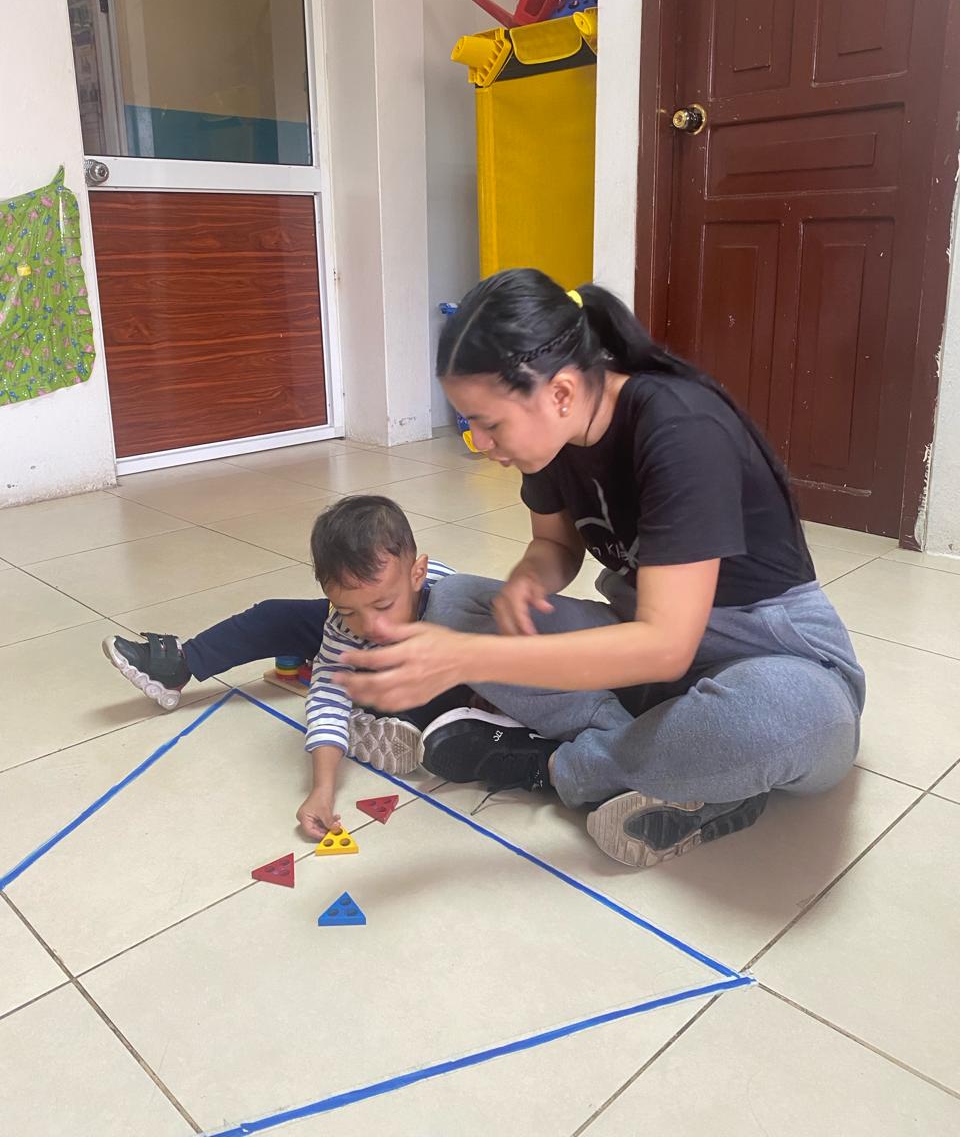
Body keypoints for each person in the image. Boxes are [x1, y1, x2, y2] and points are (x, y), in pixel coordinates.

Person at [335, 270, 867, 869]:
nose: (479, 443)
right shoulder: (551, 439)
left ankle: (557, 763)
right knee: (456, 601)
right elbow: (555, 545)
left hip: (765, 656)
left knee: (790, 719)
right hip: (640, 648)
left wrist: (465, 660)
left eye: (490, 423)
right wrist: (529, 579)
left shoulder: (681, 428)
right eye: (468, 423)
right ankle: (660, 754)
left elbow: (666, 647)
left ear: (561, 393)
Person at [102, 495, 468, 839]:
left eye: (384, 606)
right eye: (347, 610)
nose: (371, 625)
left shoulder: (455, 600)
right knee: (274, 616)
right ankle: (180, 665)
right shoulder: (344, 624)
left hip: (446, 671)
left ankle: (396, 720)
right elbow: (328, 691)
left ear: (417, 574)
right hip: (369, 662)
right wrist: (322, 788)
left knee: (437, 692)